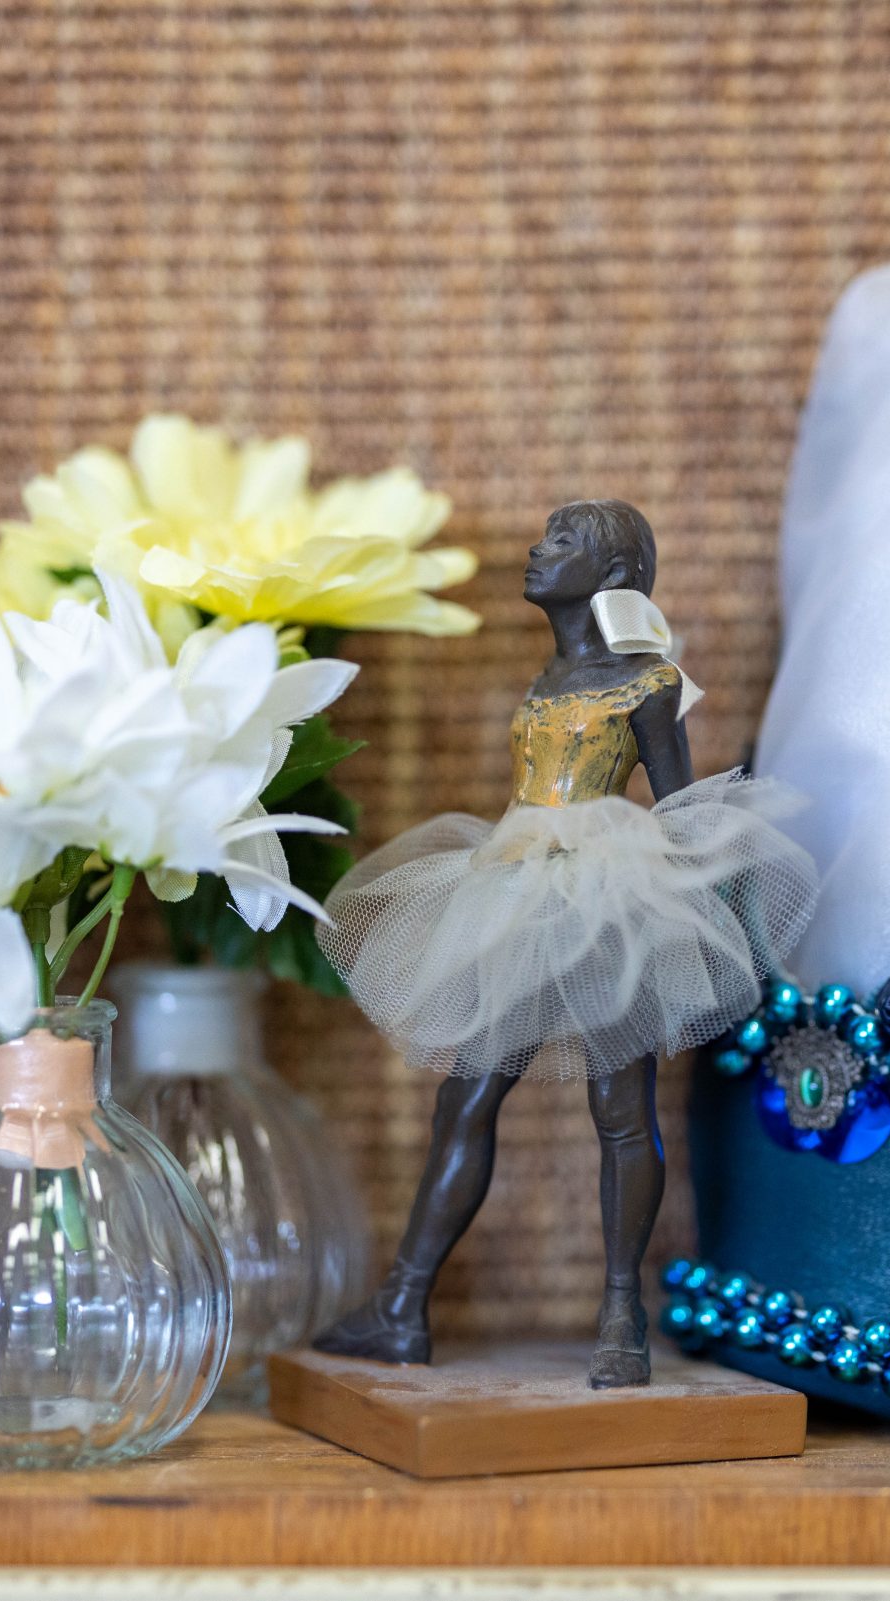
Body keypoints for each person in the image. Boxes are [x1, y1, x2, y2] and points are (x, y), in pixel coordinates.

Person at [314, 498, 816, 1386]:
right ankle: (402, 1304)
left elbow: (680, 808)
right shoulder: (545, 682)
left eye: (563, 541)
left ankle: (621, 1311)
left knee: (620, 1108)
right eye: (545, 533)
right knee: (465, 1101)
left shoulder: (647, 684)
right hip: (513, 884)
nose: (537, 551)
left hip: (605, 890)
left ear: (614, 577)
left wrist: (706, 909)